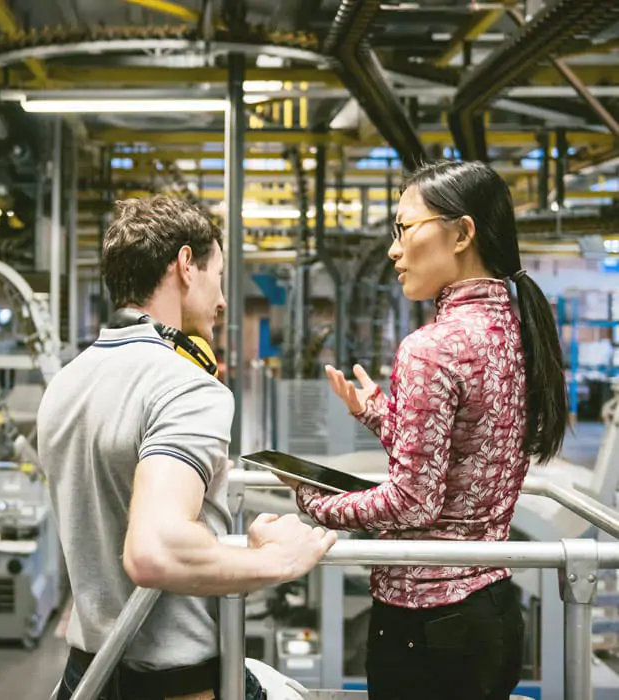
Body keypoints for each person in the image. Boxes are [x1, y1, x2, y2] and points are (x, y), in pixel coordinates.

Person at [281, 160, 568, 700]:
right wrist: (379, 414)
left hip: (426, 631)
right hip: (490, 615)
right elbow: (461, 462)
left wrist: (315, 504)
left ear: (461, 233)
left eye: (404, 228)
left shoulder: (431, 346)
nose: (393, 249)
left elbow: (414, 501)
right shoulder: (514, 330)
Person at [37, 195, 337, 700]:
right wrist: (280, 560)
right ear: (184, 266)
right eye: (217, 276)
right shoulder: (188, 387)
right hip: (176, 684)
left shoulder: (67, 383)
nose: (222, 302)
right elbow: (155, 549)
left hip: (88, 674)